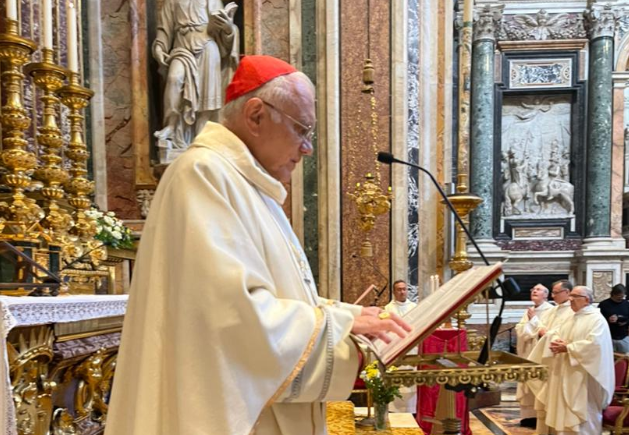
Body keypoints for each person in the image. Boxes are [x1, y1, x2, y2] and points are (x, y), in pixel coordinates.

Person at [104, 55, 412, 435]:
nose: (307, 148)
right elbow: (234, 320)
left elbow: (275, 297)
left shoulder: (250, 187)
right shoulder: (203, 175)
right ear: (255, 116)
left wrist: (349, 315)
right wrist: (343, 325)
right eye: (303, 130)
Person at [153, 0, 240, 162]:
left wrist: (228, 28)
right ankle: (171, 126)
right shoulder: (171, 2)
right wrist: (159, 48)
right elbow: (164, 30)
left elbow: (224, 35)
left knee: (206, 94)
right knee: (174, 79)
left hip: (207, 47)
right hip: (181, 49)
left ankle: (202, 138)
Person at [528, 286, 614, 435]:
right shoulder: (572, 317)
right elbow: (555, 334)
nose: (570, 299)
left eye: (575, 296)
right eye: (571, 296)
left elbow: (596, 346)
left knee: (583, 413)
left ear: (586, 300)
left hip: (583, 376)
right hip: (565, 371)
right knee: (563, 411)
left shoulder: (596, 319)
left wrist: (569, 348)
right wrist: (556, 342)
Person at [530, 279, 574, 435]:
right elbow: (543, 328)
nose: (553, 296)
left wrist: (543, 331)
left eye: (556, 292)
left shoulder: (572, 312)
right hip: (548, 361)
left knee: (556, 401)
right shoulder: (553, 310)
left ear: (567, 293)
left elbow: (561, 335)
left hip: (559, 361)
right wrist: (540, 329)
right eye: (553, 292)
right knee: (544, 400)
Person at [514, 284, 553, 428]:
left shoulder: (551, 310)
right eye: (533, 289)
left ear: (546, 295)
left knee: (538, 383)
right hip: (527, 352)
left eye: (538, 290)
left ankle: (539, 417)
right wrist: (530, 326)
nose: (534, 291)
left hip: (540, 353)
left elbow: (546, 331)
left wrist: (532, 324)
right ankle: (528, 417)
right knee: (526, 385)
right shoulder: (529, 310)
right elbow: (520, 329)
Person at [384, 280, 417, 414]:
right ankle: (393, 409)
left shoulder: (414, 307)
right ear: (394, 292)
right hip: (395, 348)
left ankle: (412, 409)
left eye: (404, 289)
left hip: (412, 348)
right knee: (396, 380)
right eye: (399, 289)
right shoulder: (387, 309)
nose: (402, 292)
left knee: (411, 380)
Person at [599, 284, 629, 353]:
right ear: (613, 294)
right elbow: (598, 320)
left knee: (626, 359)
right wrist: (608, 320)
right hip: (608, 338)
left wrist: (625, 322)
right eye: (619, 296)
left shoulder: (626, 304)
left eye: (623, 296)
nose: (621, 298)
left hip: (624, 337)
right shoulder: (603, 304)